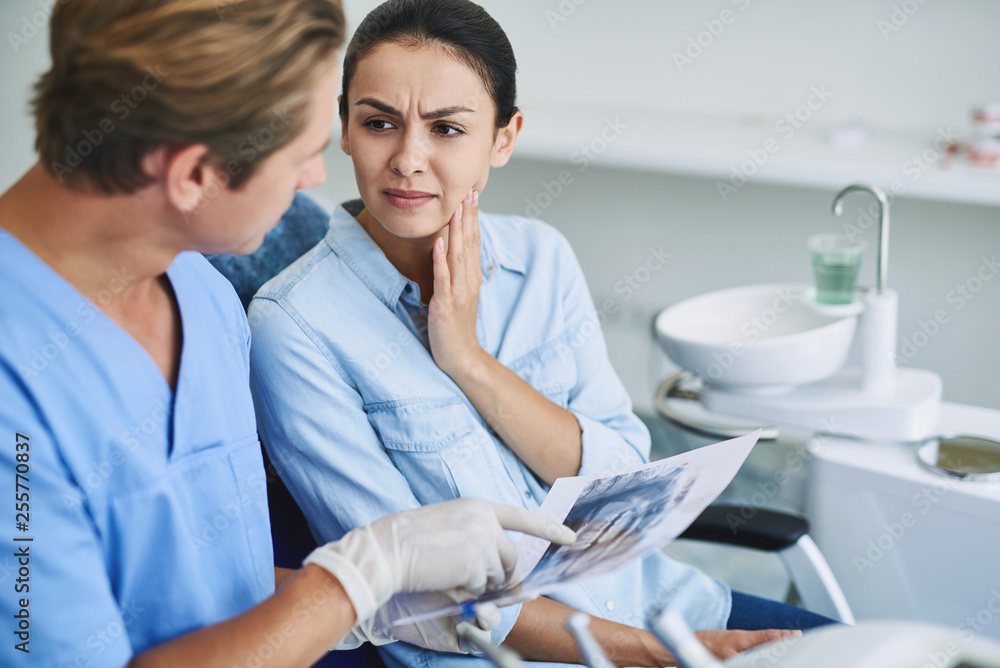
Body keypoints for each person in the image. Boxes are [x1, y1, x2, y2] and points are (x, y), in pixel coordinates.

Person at [247, 1, 836, 667]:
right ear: (346, 130)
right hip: (499, 653)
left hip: (661, 604)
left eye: (446, 129)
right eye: (379, 123)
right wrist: (652, 655)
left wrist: (467, 359)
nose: (408, 159)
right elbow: (407, 591)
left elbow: (622, 480)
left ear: (503, 138)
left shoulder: (542, 259)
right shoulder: (295, 325)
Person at [0, 1, 577, 667]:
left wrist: (387, 591)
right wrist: (357, 575)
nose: (315, 181)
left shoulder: (204, 295)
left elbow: (215, 590)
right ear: (193, 174)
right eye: (303, 155)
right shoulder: (19, 392)